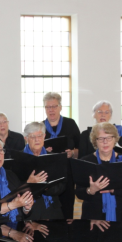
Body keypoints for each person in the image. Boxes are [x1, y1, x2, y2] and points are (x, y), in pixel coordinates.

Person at [75, 122, 122, 224]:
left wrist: (113, 190)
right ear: (95, 141)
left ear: (115, 140)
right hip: (94, 217)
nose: (105, 142)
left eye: (109, 138)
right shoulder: (85, 161)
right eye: (101, 138)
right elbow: (79, 193)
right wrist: (91, 190)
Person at [42, 92, 80, 220]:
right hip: (48, 175)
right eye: (48, 107)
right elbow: (33, 152)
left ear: (60, 107)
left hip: (67, 174)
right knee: (48, 211)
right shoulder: (40, 127)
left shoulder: (70, 124)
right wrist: (44, 152)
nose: (51, 110)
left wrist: (72, 153)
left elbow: (80, 149)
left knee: (67, 210)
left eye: (54, 106)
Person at [20, 121, 65, 221]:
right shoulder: (18, 159)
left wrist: (45, 186)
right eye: (32, 136)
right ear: (26, 138)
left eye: (40, 136)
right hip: (29, 210)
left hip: (52, 208)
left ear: (44, 136)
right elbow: (14, 188)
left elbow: (62, 186)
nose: (37, 140)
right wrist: (29, 183)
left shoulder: (54, 158)